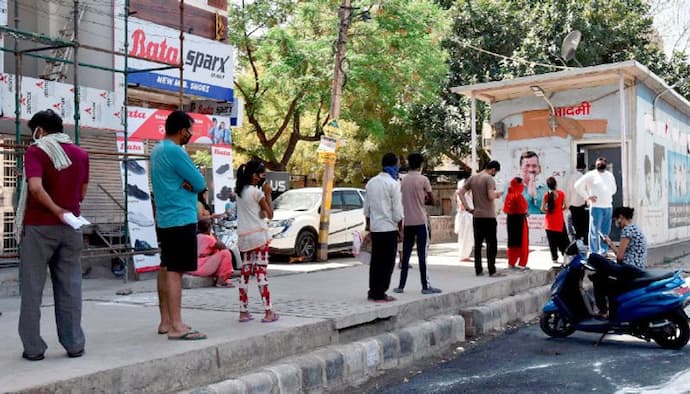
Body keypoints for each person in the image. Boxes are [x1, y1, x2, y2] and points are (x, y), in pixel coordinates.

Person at [16, 109, 89, 361]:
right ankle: (74, 344)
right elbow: (82, 192)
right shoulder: (80, 154)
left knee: (32, 289)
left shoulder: (36, 150)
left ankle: (34, 348)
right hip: (72, 228)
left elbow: (35, 187)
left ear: (40, 130)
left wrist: (55, 210)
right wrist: (66, 209)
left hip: (39, 227)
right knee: (70, 288)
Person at [151, 110, 207, 340]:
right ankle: (176, 325)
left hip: (165, 217)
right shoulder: (175, 151)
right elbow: (200, 182)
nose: (190, 135)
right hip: (180, 217)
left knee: (166, 267)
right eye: (189, 131)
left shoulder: (157, 149)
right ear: (183, 130)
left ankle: (165, 320)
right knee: (176, 271)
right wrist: (190, 183)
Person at [235, 159, 278, 323]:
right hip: (259, 237)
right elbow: (269, 214)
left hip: (244, 237)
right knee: (261, 273)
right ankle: (268, 312)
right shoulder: (256, 192)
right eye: (261, 174)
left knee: (245, 274)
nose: (263, 177)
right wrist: (267, 193)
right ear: (254, 176)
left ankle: (243, 312)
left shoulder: (240, 191)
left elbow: (256, 212)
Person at [394, 153, 441, 295]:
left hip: (407, 222)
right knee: (422, 255)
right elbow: (432, 201)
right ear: (421, 165)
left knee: (406, 255)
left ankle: (401, 286)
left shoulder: (404, 180)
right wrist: (423, 199)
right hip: (420, 221)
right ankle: (425, 286)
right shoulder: (423, 179)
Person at [588, 207, 647, 318]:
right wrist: (610, 244)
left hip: (629, 269)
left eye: (616, 220)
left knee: (593, 257)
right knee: (599, 277)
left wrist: (610, 246)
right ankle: (605, 312)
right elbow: (623, 254)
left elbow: (620, 257)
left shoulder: (627, 230)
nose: (616, 223)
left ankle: (603, 312)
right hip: (632, 268)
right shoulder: (635, 228)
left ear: (621, 218)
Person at [363, 152, 404, 302]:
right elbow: (397, 211)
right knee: (387, 263)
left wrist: (368, 226)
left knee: (375, 262)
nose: (399, 165)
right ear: (394, 165)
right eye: (398, 163)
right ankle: (381, 293)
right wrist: (401, 230)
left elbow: (367, 208)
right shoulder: (393, 184)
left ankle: (373, 291)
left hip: (376, 228)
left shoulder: (371, 182)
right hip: (389, 228)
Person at [459, 160, 505, 277]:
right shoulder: (489, 179)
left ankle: (478, 270)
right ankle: (492, 270)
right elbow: (490, 196)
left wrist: (468, 208)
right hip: (488, 215)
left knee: (478, 244)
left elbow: (461, 193)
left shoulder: (473, 178)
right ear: (493, 170)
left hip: (477, 215)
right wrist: (498, 194)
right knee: (491, 244)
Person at [574, 157, 617, 254]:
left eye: (601, 164)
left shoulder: (609, 175)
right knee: (594, 230)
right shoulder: (591, 174)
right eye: (598, 164)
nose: (600, 165)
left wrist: (607, 194)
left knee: (605, 231)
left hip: (608, 206)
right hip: (596, 207)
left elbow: (614, 189)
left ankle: (603, 251)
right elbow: (577, 185)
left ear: (605, 165)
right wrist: (587, 197)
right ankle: (594, 252)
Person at [187, 219, 234, 288]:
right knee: (226, 253)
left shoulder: (194, 237)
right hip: (200, 268)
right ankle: (221, 281)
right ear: (209, 228)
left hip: (191, 268)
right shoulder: (208, 238)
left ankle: (220, 278)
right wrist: (214, 237)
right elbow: (223, 247)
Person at [541, 176, 570, 265]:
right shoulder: (561, 194)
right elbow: (566, 206)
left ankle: (554, 258)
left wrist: (548, 211)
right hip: (559, 220)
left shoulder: (546, 195)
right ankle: (565, 256)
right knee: (564, 240)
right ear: (556, 184)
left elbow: (542, 208)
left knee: (552, 242)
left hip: (549, 222)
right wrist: (559, 210)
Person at [503, 177, 529, 270]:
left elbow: (505, 209)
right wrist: (526, 212)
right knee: (523, 242)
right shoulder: (518, 195)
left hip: (510, 219)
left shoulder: (509, 194)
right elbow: (523, 209)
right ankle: (522, 264)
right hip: (520, 220)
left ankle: (511, 263)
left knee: (512, 242)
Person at [565, 164, 589, 243]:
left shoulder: (571, 178)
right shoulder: (584, 177)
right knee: (583, 224)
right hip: (582, 205)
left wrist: (567, 203)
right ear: (584, 168)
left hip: (572, 205)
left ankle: (577, 240)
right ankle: (583, 241)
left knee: (575, 224)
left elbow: (568, 192)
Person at [454, 179, 474, 261]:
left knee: (464, 237)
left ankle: (464, 255)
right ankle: (464, 255)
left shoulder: (459, 193)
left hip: (464, 216)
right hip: (466, 217)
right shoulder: (463, 194)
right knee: (466, 237)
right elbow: (462, 206)